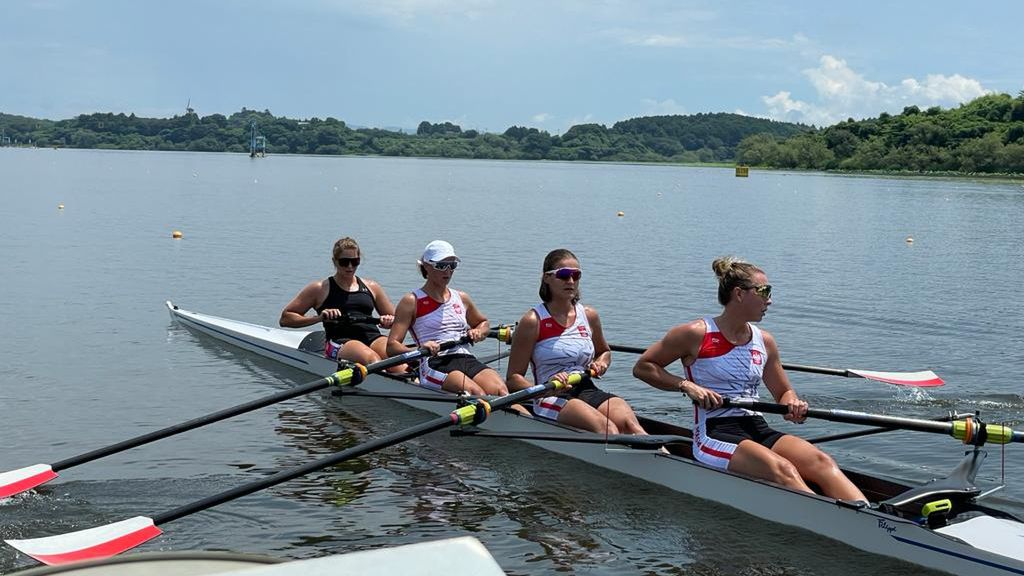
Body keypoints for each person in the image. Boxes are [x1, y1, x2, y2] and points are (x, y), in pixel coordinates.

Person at [632, 256, 867, 502]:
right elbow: (644, 367)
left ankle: (871, 520)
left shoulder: (764, 341)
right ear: (739, 294)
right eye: (764, 291)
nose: (770, 300)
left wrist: (794, 404)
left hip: (756, 426)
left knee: (822, 461)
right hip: (714, 432)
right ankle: (833, 521)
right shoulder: (695, 334)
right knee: (784, 469)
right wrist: (686, 385)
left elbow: (783, 393)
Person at [505, 249, 648, 435]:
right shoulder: (533, 321)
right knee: (608, 429)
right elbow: (513, 379)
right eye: (564, 275)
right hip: (551, 395)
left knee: (632, 426)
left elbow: (604, 352)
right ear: (546, 278)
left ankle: (664, 459)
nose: (571, 281)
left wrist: (601, 363)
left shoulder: (589, 315)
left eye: (576, 275)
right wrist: (545, 388)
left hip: (586, 387)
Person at [387, 240, 508, 396]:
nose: (448, 271)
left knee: (501, 391)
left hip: (465, 357)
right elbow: (391, 347)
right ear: (426, 267)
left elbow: (483, 323)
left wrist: (479, 331)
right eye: (441, 266)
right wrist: (419, 350)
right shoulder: (411, 301)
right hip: (434, 362)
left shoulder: (461, 298)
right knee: (475, 392)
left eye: (452, 265)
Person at [280, 236, 403, 373]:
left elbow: (398, 321)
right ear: (334, 261)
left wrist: (390, 321)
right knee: (373, 360)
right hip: (340, 341)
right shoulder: (320, 288)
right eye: (344, 262)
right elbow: (286, 318)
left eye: (355, 261)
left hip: (373, 337)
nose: (350, 267)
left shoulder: (372, 287)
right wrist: (319, 318)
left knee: (400, 362)